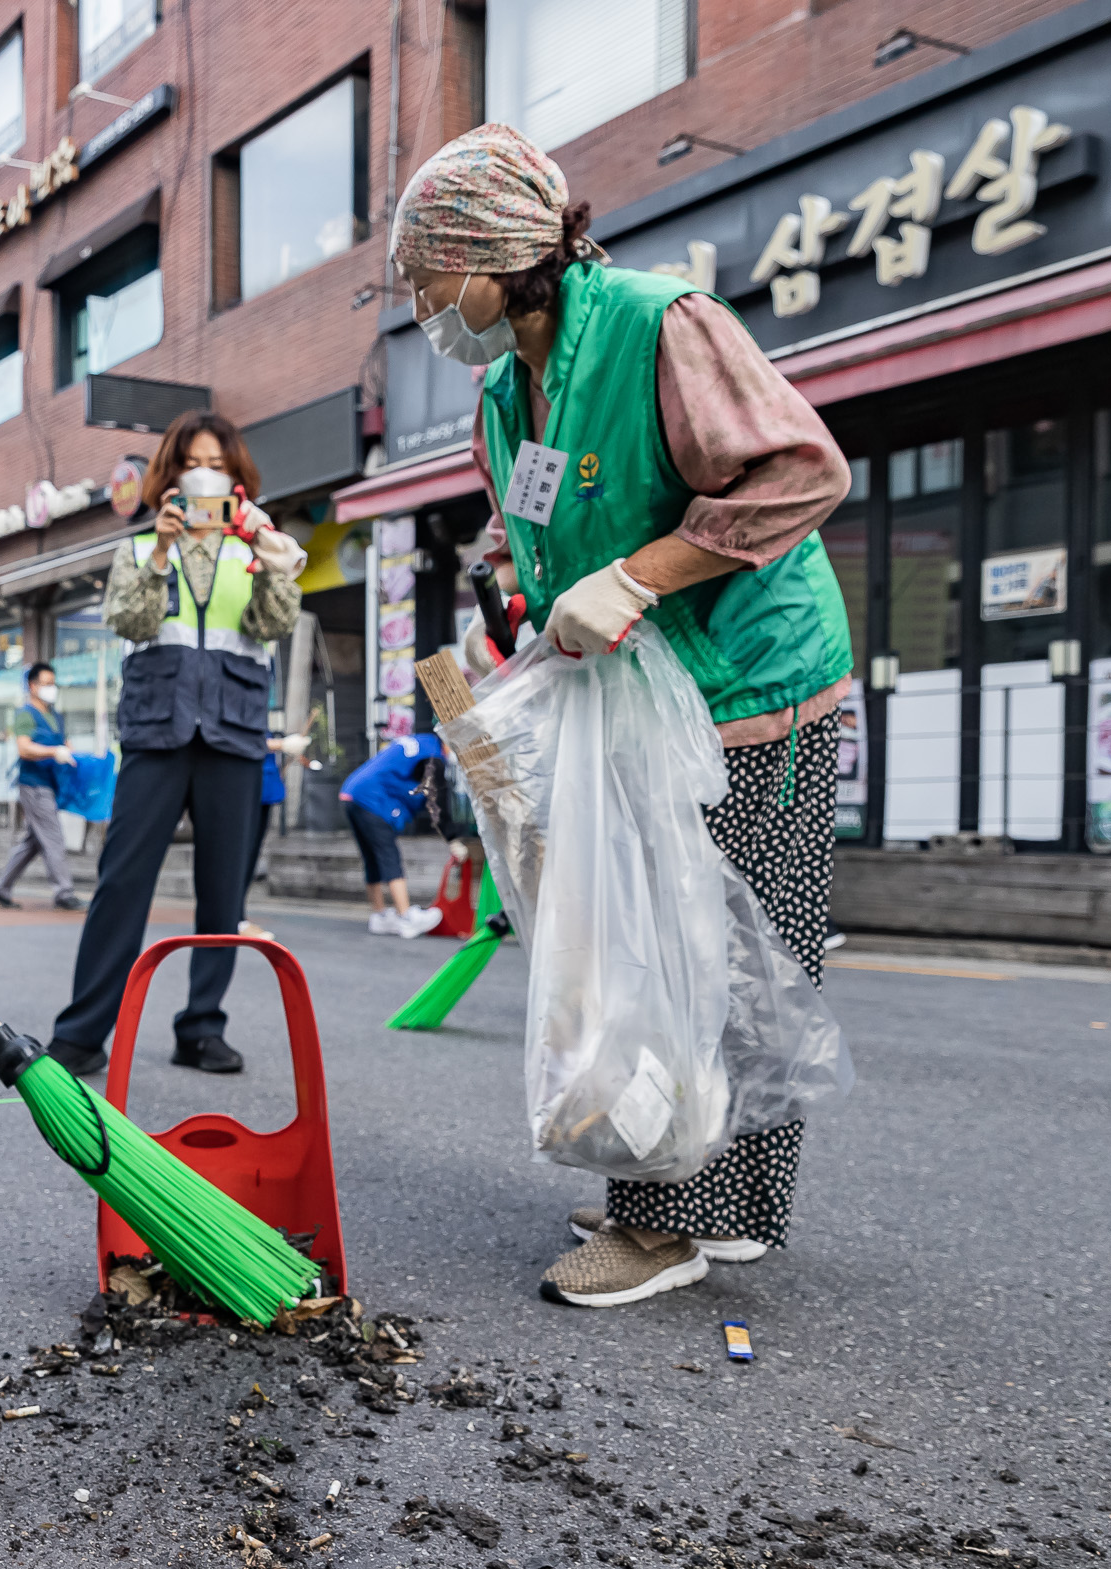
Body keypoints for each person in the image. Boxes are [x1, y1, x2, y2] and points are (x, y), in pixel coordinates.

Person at [394, 124, 853, 1308]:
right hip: (631, 700)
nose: (419, 302)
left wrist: (643, 574)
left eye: (426, 275)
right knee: (653, 944)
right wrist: (505, 625)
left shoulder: (661, 323)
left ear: (496, 261)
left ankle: (665, 1225)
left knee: (703, 951)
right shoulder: (508, 386)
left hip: (752, 689)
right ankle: (716, 1200)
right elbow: (529, 530)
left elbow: (801, 473)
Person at [45, 413, 307, 1078]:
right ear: (170, 475)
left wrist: (267, 552)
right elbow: (129, 621)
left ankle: (201, 1027)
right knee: (122, 880)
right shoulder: (137, 549)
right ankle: (80, 1033)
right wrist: (160, 553)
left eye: (217, 462)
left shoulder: (259, 547)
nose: (205, 472)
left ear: (237, 475)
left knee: (224, 891)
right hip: (156, 729)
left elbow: (275, 624)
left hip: (234, 729)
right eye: (192, 461)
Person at [0, 662, 83, 912]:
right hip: (34, 785)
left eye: (53, 683)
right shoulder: (25, 714)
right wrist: (53, 751)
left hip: (51, 785)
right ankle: (64, 892)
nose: (52, 688)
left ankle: (0, 887)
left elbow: (65, 746)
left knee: (33, 841)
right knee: (53, 837)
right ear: (32, 685)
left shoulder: (56, 716)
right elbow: (24, 748)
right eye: (46, 683)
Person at [336, 733, 448, 939]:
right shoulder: (434, 755)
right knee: (388, 854)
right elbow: (436, 796)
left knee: (372, 857)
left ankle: (380, 915)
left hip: (353, 791)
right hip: (372, 798)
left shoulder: (422, 741)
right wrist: (451, 836)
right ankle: (406, 916)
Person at [235, 732, 309, 940]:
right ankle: (234, 920)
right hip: (242, 786)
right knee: (238, 857)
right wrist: (281, 744)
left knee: (248, 857)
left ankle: (237, 917)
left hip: (263, 786)